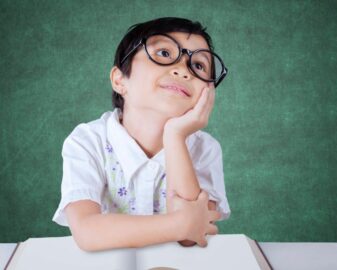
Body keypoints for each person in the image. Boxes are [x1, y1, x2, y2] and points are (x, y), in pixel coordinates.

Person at [52, 17, 231, 252]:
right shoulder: (87, 141)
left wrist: (175, 136)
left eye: (198, 65)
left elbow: (190, 238)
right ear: (120, 80)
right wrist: (182, 223)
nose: (183, 70)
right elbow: (87, 232)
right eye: (165, 53)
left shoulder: (205, 148)